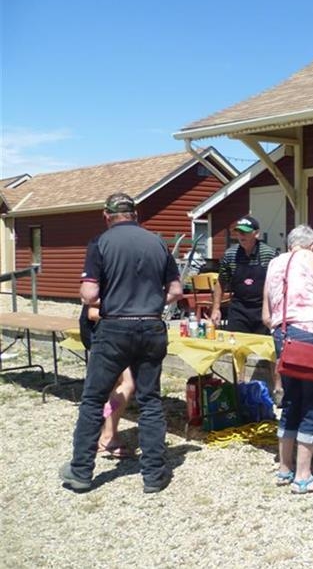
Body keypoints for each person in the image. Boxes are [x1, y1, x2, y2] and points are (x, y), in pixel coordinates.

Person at [60, 193, 183, 493]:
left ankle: (81, 472)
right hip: (151, 326)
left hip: (114, 328)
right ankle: (154, 475)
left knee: (92, 399)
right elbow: (176, 290)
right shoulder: (157, 243)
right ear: (135, 214)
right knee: (150, 401)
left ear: (107, 215)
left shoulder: (100, 243)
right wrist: (152, 303)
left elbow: (89, 295)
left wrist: (112, 302)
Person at [262, 225, 313, 493]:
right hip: (312, 335)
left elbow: (266, 315)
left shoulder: (273, 264)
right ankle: (303, 476)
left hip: (283, 335)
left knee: (291, 400)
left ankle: (285, 469)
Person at [78, 304, 136, 459]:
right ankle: (108, 436)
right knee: (128, 383)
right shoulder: (107, 280)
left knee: (116, 385)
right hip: (102, 333)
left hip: (118, 333)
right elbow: (93, 313)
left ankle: (104, 431)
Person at [210, 215, 278, 334]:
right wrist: (216, 309)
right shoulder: (231, 255)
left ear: (256, 234)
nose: (241, 236)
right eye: (239, 232)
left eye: (245, 232)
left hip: (263, 309)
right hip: (239, 309)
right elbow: (221, 282)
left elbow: (278, 284)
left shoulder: (269, 255)